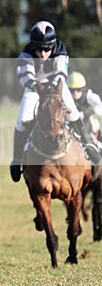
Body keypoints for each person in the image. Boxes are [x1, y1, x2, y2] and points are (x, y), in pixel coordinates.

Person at [9, 21, 101, 183]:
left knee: (73, 112)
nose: (42, 54)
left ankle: (88, 145)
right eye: (38, 49)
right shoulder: (26, 54)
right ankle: (17, 159)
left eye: (46, 49)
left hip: (56, 86)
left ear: (53, 45)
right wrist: (37, 87)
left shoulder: (60, 50)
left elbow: (60, 72)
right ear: (33, 46)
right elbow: (25, 76)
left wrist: (53, 88)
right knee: (22, 120)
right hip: (34, 88)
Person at [68, 71, 102, 140]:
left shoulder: (90, 96)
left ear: (83, 89)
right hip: (76, 130)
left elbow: (99, 107)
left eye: (78, 89)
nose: (75, 93)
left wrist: (92, 111)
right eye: (72, 90)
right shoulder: (67, 99)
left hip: (93, 130)